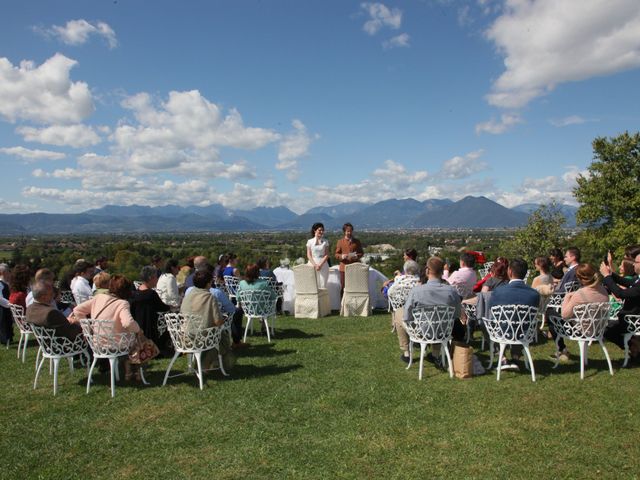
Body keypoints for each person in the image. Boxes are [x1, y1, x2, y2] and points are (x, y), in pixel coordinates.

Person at [71, 275, 143, 381]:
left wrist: (86, 327)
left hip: (97, 344)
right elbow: (128, 323)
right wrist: (139, 330)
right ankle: (137, 372)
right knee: (140, 339)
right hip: (116, 344)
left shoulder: (98, 298)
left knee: (134, 335)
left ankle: (129, 370)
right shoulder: (122, 303)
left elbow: (77, 310)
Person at [400, 257, 461, 365]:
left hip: (421, 332)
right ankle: (435, 354)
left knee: (399, 314)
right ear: (442, 272)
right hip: (443, 332)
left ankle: (406, 351)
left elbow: (406, 317)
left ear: (427, 271)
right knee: (437, 320)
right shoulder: (451, 291)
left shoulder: (416, 291)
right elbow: (456, 315)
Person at [488, 258, 540, 369]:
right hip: (524, 332)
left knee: (487, 324)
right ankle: (516, 355)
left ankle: (502, 357)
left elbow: (491, 309)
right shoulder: (534, 294)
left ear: (509, 271)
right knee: (519, 322)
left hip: (503, 331)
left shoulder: (499, 291)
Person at [180, 269, 233, 370]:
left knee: (214, 334)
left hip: (185, 337)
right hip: (202, 338)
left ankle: (206, 363)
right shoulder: (209, 297)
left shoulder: (187, 295)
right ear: (208, 283)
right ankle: (206, 364)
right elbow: (218, 322)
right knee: (223, 337)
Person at [600, 251, 640, 361]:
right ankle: (634, 346)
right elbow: (625, 281)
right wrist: (610, 274)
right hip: (629, 318)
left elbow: (620, 294)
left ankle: (633, 347)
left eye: (636, 262)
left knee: (606, 330)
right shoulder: (638, 278)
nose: (633, 264)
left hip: (631, 320)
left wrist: (607, 277)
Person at [130, 265, 171, 354]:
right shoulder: (151, 294)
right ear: (151, 278)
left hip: (137, 328)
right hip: (150, 329)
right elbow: (163, 308)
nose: (157, 280)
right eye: (156, 277)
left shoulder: (135, 294)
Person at [334, 222, 364, 291]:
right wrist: (342, 256)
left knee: (355, 285)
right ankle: (342, 301)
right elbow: (336, 254)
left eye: (351, 231)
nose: (349, 233)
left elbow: (361, 253)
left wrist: (356, 256)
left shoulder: (357, 241)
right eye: (348, 231)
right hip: (344, 268)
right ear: (344, 232)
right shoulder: (340, 242)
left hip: (355, 267)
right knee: (343, 286)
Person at [307, 223, 330, 289]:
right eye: (320, 230)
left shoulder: (325, 241)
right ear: (315, 230)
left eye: (322, 230)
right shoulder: (310, 241)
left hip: (323, 264)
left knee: (323, 284)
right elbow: (309, 255)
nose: (321, 232)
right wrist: (315, 265)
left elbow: (327, 254)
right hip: (312, 264)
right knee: (313, 285)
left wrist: (320, 265)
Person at [0, 264, 13, 345]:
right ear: (3, 272)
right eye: (9, 271)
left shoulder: (6, 283)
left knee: (8, 322)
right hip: (2, 308)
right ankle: (5, 339)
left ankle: (8, 338)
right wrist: (10, 304)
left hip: (6, 307)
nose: (10, 273)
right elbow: (0, 298)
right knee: (3, 322)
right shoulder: (0, 284)